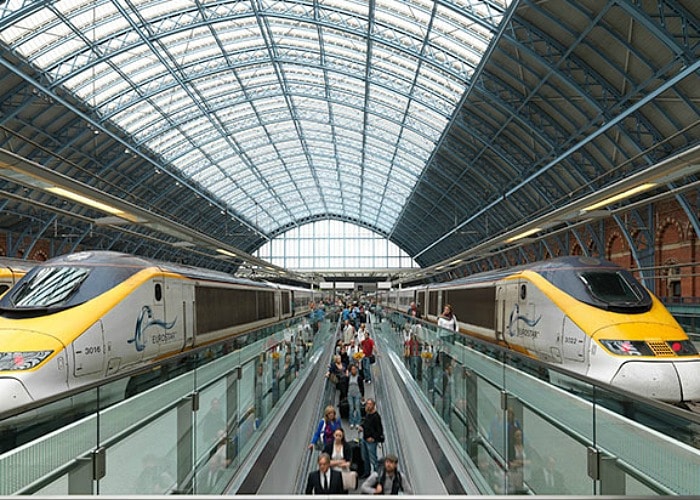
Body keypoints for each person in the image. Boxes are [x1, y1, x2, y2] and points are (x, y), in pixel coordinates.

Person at [358, 398, 383, 478]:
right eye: (367, 404)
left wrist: (373, 438)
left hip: (371, 442)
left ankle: (377, 476)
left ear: (373, 405)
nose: (368, 406)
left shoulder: (376, 417)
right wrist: (361, 426)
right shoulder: (368, 414)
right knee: (365, 457)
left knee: (373, 459)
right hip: (365, 439)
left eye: (370, 404)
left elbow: (379, 431)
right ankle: (367, 472)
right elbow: (365, 423)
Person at [346, 363, 365, 429]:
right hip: (350, 394)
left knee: (357, 408)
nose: (353, 370)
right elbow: (346, 386)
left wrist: (362, 395)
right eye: (352, 369)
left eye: (354, 369)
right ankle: (351, 422)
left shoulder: (359, 377)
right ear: (350, 370)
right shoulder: (349, 377)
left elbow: (362, 387)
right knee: (351, 408)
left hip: (357, 394)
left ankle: (357, 422)